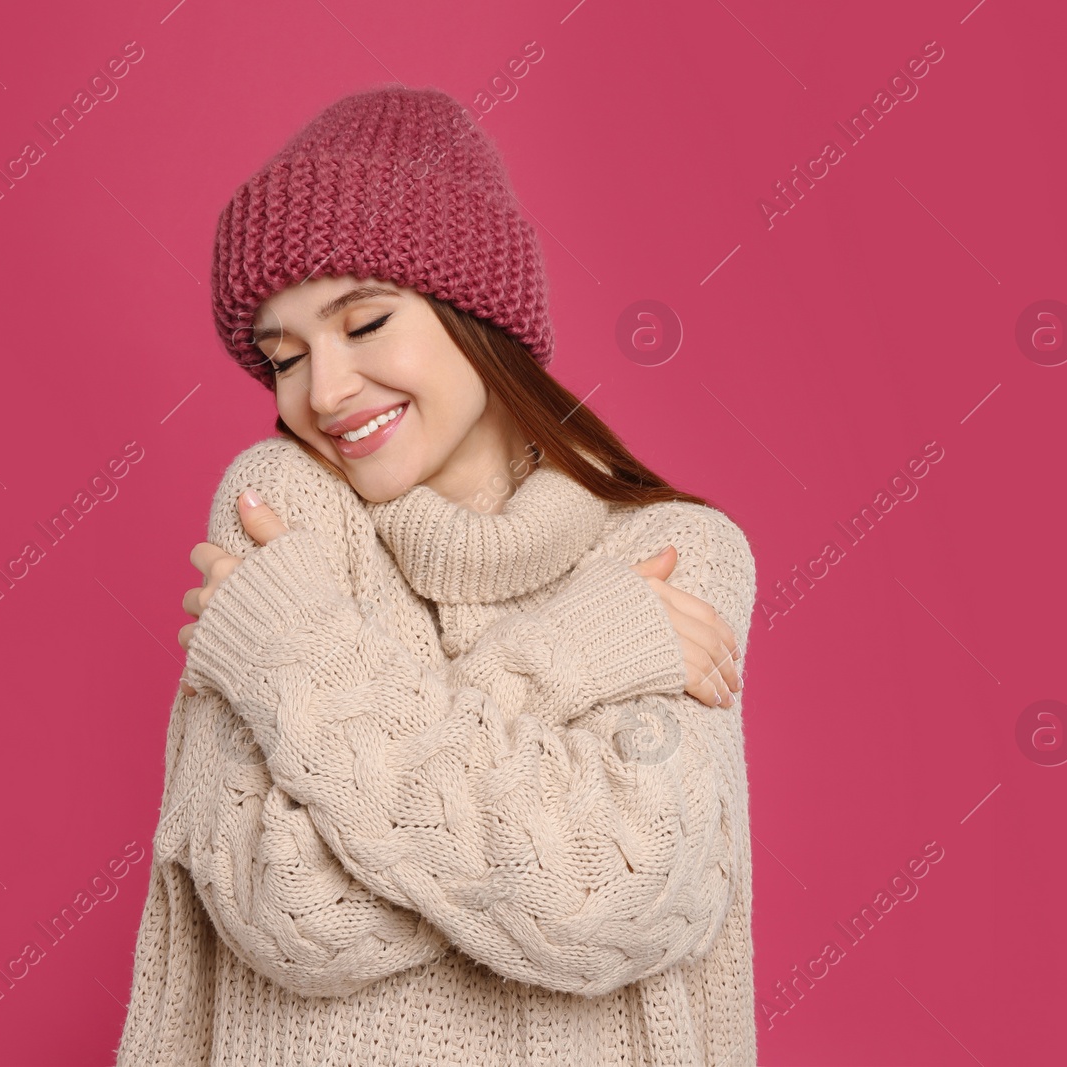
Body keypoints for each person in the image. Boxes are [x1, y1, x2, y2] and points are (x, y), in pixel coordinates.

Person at [114, 85, 758, 1067]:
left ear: (478, 311)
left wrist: (290, 663)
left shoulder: (674, 556)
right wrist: (572, 655)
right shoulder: (283, 509)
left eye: (364, 323)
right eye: (282, 356)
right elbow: (288, 903)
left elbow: (617, 898)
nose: (321, 392)